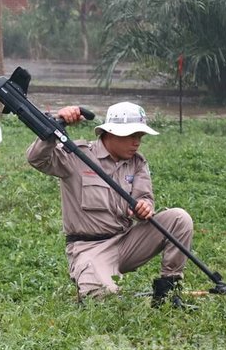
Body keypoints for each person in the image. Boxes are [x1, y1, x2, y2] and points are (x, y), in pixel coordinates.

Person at [26, 102, 194, 307]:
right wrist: (54, 126)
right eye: (131, 135)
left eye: (139, 137)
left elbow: (145, 198)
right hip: (89, 248)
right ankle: (93, 281)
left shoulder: (137, 163)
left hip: (126, 242)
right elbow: (37, 159)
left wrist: (143, 207)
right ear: (110, 133)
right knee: (106, 302)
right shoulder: (77, 155)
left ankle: (168, 292)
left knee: (179, 218)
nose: (136, 143)